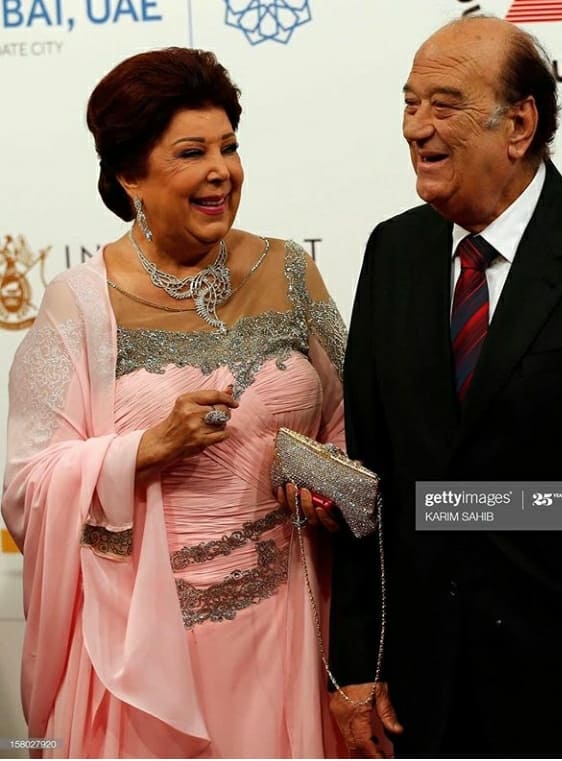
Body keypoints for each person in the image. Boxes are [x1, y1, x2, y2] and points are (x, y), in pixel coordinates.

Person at [328, 16, 562, 760]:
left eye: (444, 106)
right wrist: (356, 662)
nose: (416, 128)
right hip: (418, 694)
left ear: (519, 124)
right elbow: (363, 480)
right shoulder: (392, 251)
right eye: (409, 104)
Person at [2, 47, 346, 758]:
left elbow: (352, 423)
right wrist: (145, 448)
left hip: (289, 625)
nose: (221, 170)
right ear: (130, 174)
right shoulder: (79, 304)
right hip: (143, 649)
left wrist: (325, 484)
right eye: (192, 152)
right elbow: (27, 483)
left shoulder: (290, 270)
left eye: (229, 147)